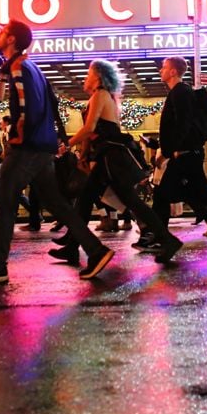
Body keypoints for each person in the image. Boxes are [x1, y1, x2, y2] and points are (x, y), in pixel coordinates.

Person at [0, 21, 114, 283]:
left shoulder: (20, 67)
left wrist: (17, 138)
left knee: (6, 202)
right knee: (56, 204)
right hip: (42, 145)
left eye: (3, 32)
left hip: (28, 146)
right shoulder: (28, 66)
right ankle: (96, 250)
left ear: (12, 40)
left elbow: (23, 107)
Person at [67, 59, 182, 265]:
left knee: (130, 201)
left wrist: (67, 144)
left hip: (111, 157)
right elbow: (95, 132)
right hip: (109, 156)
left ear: (98, 76)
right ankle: (72, 245)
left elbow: (91, 128)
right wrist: (84, 153)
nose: (86, 77)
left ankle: (168, 239)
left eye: (89, 73)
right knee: (88, 199)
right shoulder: (104, 96)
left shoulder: (100, 94)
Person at [150, 57, 207, 241]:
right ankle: (161, 239)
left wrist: (168, 152)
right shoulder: (180, 92)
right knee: (199, 196)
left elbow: (183, 124)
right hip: (185, 154)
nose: (161, 71)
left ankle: (161, 240)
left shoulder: (180, 92)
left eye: (164, 67)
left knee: (162, 195)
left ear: (173, 71)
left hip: (185, 155)